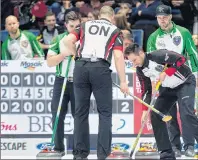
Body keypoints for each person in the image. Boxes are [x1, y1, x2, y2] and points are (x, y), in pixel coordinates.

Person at [62, 5, 129, 159]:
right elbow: (118, 56)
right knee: (105, 113)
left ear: (99, 16)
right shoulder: (114, 30)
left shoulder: (85, 25)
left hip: (81, 68)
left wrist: (76, 56)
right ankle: (103, 155)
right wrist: (123, 81)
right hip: (100, 68)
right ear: (112, 17)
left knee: (80, 113)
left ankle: (80, 154)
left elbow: (67, 40)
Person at [124, 43, 198, 160]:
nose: (134, 63)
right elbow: (146, 91)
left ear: (141, 53)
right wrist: (144, 110)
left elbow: (181, 59)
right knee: (155, 114)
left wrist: (166, 72)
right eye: (131, 61)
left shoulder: (158, 55)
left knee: (187, 114)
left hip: (185, 82)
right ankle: (166, 153)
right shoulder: (140, 70)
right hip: (168, 88)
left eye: (134, 59)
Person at [147, 4, 198, 157]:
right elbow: (151, 63)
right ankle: (175, 146)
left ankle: (189, 145)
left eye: (164, 17)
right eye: (159, 18)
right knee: (169, 116)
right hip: (166, 82)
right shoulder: (153, 37)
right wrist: (154, 81)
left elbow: (193, 54)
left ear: (170, 17)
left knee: (187, 113)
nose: (162, 20)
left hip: (184, 79)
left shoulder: (183, 32)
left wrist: (196, 74)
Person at [46, 11, 81, 157]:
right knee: (57, 114)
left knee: (79, 116)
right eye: (71, 26)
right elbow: (49, 62)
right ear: (66, 25)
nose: (74, 29)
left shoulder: (84, 39)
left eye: (77, 26)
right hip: (61, 80)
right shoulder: (58, 39)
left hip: (78, 82)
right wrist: (63, 55)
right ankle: (59, 148)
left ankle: (79, 150)